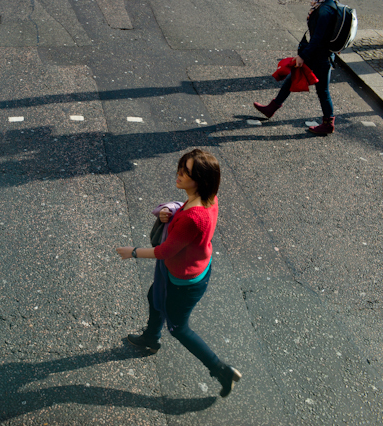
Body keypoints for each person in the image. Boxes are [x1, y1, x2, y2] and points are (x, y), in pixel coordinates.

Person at [116, 149, 241, 398]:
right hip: (190, 265)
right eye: (181, 166)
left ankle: (222, 370)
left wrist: (131, 252)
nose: (179, 174)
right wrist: (171, 212)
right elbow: (184, 228)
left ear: (201, 180)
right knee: (155, 296)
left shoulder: (194, 218)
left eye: (186, 172)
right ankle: (151, 337)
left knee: (179, 328)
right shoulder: (208, 197)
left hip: (183, 280)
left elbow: (163, 251)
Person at [253, 0, 338, 135]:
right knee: (293, 77)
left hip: (318, 57)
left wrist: (303, 55)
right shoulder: (331, 5)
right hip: (321, 55)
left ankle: (328, 124)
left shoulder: (324, 11)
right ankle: (272, 107)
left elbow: (317, 38)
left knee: (323, 91)